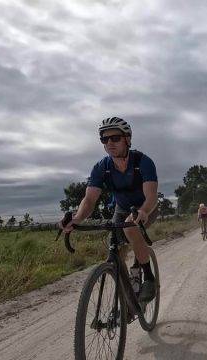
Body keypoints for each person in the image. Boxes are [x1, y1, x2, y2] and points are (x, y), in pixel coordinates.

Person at [61, 116, 159, 301]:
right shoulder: (101, 168)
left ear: (127, 140)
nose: (109, 143)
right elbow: (89, 199)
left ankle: (149, 278)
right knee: (115, 248)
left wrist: (144, 211)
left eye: (115, 138)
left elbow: (151, 195)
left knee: (131, 227)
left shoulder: (143, 162)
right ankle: (126, 295)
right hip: (121, 209)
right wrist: (77, 218)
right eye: (104, 139)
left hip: (146, 207)